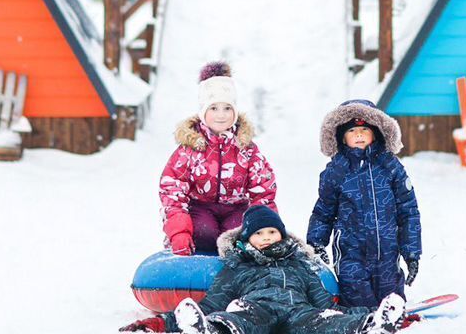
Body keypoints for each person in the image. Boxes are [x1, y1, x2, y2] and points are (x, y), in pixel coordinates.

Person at [121, 206, 406, 333]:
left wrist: (367, 313)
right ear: (247, 239)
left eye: (272, 231)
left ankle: (373, 327)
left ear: (282, 235)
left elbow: (325, 303)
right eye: (260, 234)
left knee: (325, 321)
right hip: (256, 307)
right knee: (235, 318)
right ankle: (205, 331)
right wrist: (162, 323)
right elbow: (214, 301)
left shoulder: (299, 264)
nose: (267, 237)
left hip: (298, 312)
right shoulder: (237, 266)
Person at [306, 100, 422, 308]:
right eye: (352, 130)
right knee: (358, 301)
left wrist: (411, 253)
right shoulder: (336, 171)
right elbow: (323, 211)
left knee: (391, 299)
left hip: (387, 251)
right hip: (351, 252)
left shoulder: (390, 166)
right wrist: (316, 243)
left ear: (375, 132)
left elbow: (408, 211)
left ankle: (391, 314)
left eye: (364, 129)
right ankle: (359, 319)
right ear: (342, 136)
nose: (359, 134)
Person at [159, 62, 278, 255]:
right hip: (200, 208)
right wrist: (178, 231)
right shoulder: (189, 149)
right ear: (203, 111)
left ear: (235, 111)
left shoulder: (246, 148)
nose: (221, 115)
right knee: (205, 233)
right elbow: (172, 188)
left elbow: (263, 191)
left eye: (227, 108)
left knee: (239, 234)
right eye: (213, 108)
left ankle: (238, 261)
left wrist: (267, 229)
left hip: (236, 209)